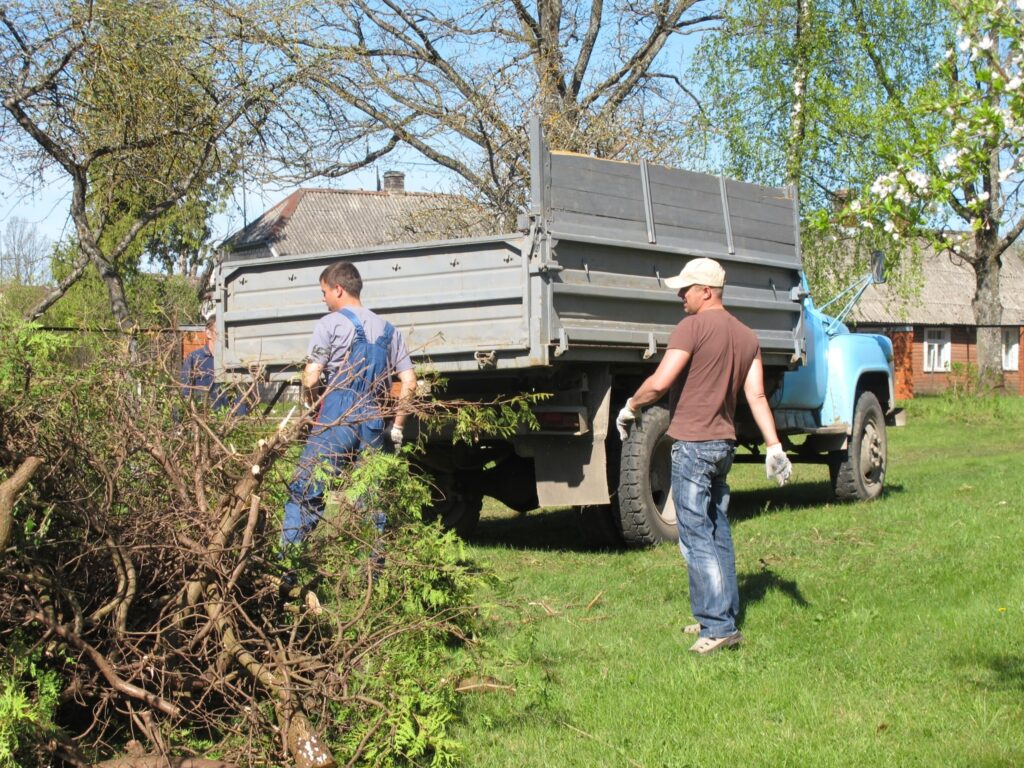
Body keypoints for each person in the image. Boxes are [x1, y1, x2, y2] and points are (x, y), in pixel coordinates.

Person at [616, 257, 792, 655]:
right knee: (716, 531)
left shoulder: (691, 328)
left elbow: (660, 382)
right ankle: (718, 613)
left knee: (696, 535)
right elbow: (756, 396)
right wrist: (774, 446)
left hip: (694, 446)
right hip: (723, 446)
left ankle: (718, 627)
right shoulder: (747, 336)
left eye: (686, 289)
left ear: (707, 292)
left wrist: (632, 406)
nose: (680, 295)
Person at [282, 260, 417, 545]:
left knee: (305, 491)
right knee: (371, 501)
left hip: (336, 420)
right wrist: (397, 428)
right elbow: (410, 382)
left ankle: (288, 562)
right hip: (372, 422)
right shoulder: (390, 331)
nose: (323, 299)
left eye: (324, 292)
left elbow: (311, 377)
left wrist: (312, 408)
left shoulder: (329, 324)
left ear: (338, 289)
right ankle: (372, 569)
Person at [180, 317, 239, 412]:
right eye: (219, 331)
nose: (223, 336)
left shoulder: (232, 360)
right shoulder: (195, 358)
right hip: (202, 416)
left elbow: (240, 394)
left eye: (225, 332)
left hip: (227, 417)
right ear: (208, 333)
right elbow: (185, 392)